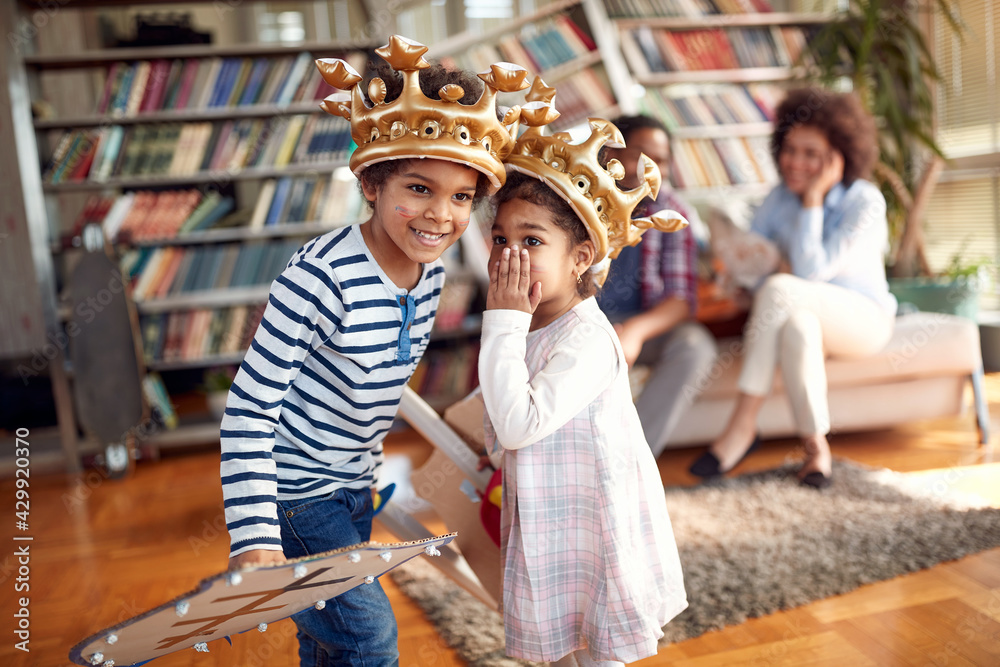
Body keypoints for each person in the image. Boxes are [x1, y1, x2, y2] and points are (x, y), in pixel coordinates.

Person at [219, 36, 527, 666]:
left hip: (354, 486)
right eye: (419, 187)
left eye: (462, 196)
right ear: (371, 181)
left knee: (329, 645)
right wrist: (254, 536)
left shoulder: (433, 273)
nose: (440, 215)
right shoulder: (318, 278)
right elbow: (248, 409)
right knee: (367, 637)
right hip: (295, 496)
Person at [479, 95, 688, 665]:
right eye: (500, 239)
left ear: (581, 258)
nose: (511, 255)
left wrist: (500, 321)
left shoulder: (587, 340)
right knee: (562, 649)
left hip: (590, 521)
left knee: (598, 647)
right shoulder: (525, 321)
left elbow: (518, 422)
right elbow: (502, 397)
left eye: (533, 241)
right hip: (546, 512)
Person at [689, 88, 897, 489]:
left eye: (810, 154)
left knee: (786, 289)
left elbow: (809, 271)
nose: (795, 163)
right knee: (798, 326)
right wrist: (744, 275)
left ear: (838, 157)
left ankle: (743, 426)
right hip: (806, 315)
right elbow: (758, 267)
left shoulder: (864, 202)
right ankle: (817, 449)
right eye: (789, 150)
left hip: (863, 320)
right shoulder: (778, 199)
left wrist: (814, 200)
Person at [597, 115, 716, 457]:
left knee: (695, 346)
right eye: (640, 153)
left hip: (640, 327)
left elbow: (680, 301)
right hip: (581, 321)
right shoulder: (579, 199)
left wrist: (633, 332)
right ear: (610, 154)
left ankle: (631, 460)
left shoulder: (673, 214)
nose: (651, 166)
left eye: (661, 160)